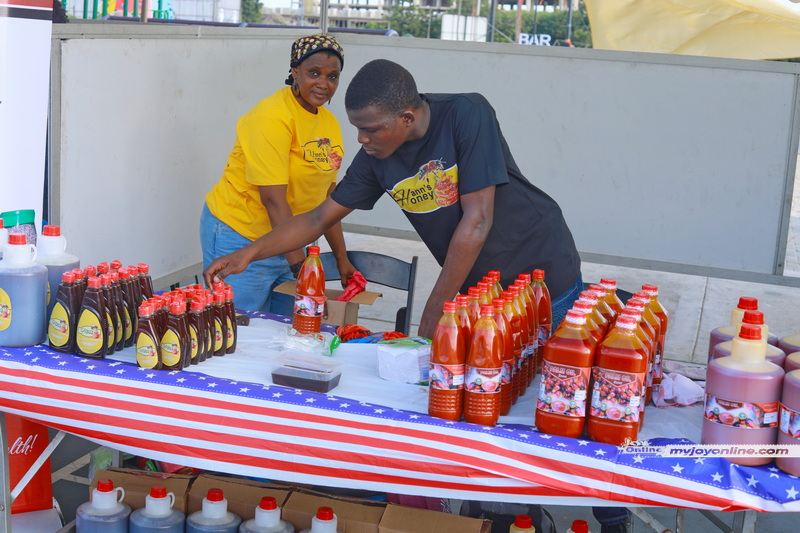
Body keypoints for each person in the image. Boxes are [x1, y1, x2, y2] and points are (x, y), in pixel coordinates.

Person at [204, 57, 631, 533]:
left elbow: (478, 220)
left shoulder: (466, 115)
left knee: (569, 399)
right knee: (495, 401)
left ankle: (614, 515)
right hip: (483, 295)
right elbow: (317, 218)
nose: (361, 140)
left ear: (406, 117)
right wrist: (248, 252)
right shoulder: (377, 157)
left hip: (542, 273)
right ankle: (513, 516)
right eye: (357, 129)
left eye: (370, 129)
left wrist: (436, 308)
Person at [200, 34, 355, 314]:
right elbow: (273, 200)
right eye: (314, 73)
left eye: (332, 76)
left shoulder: (329, 123)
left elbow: (328, 199)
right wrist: (299, 267)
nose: (323, 84)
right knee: (239, 326)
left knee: (287, 328)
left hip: (287, 240)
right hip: (241, 234)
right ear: (295, 71)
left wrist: (341, 259)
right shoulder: (271, 116)